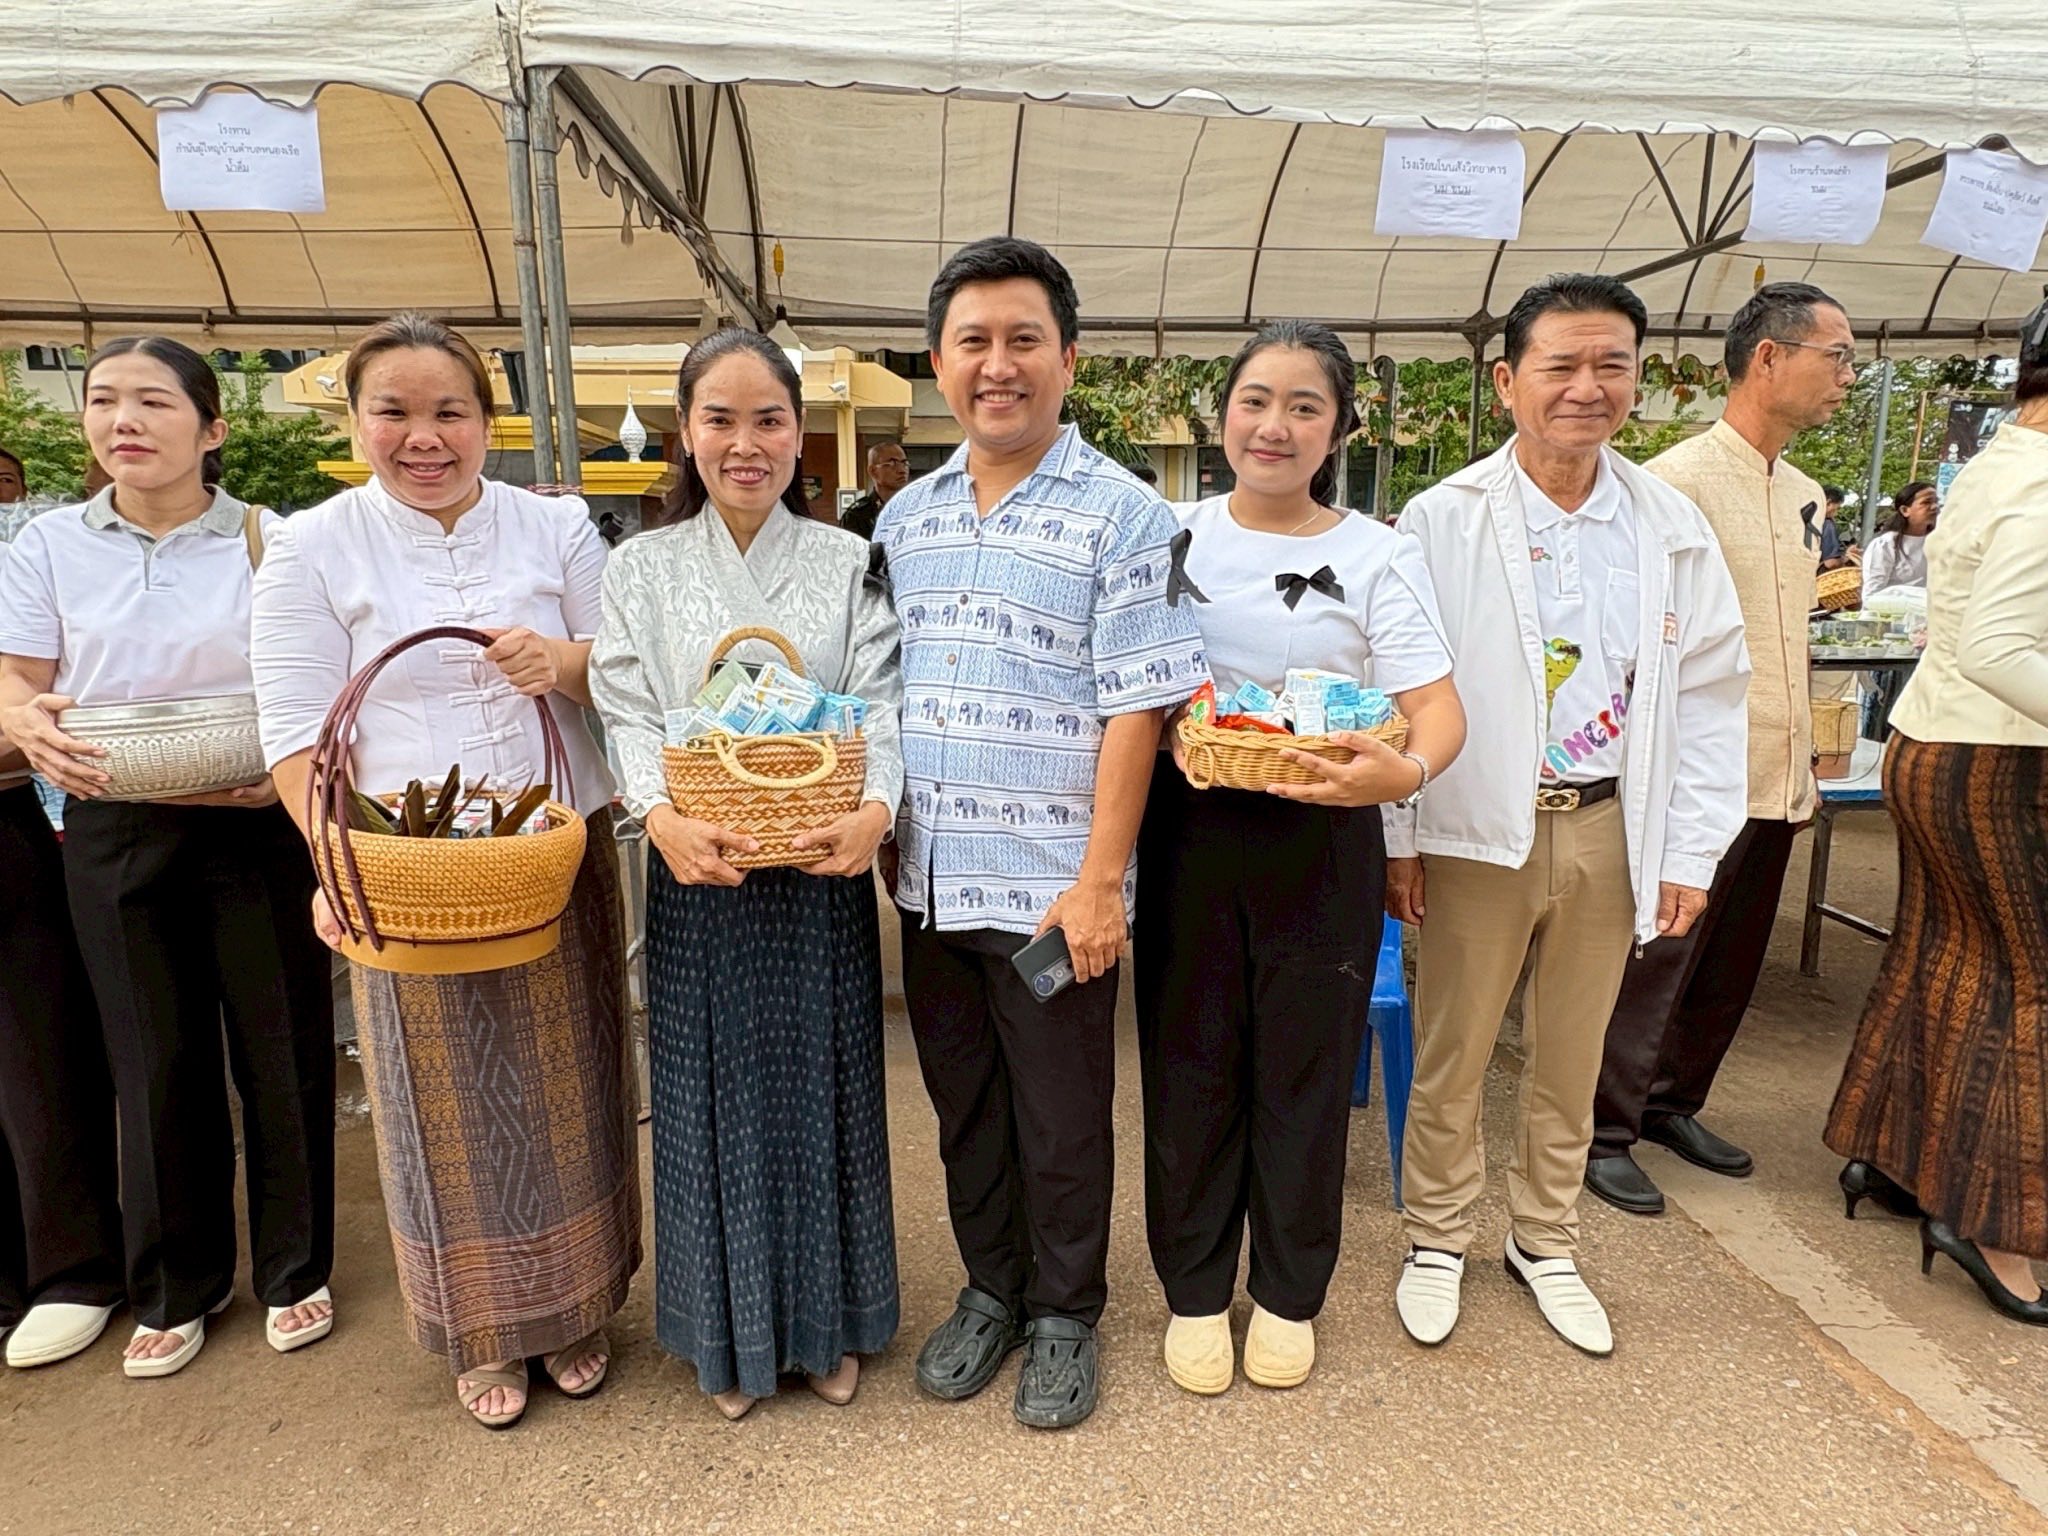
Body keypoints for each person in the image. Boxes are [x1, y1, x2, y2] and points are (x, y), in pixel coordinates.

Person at [251, 313, 640, 1429]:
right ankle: (480, 1334)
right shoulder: (313, 545)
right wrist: (337, 868)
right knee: (443, 1110)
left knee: (571, 1085)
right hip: (403, 871)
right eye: (395, 413)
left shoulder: (554, 525)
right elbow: (294, 732)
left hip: (547, 853)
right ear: (358, 421)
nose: (424, 437)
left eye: (449, 413)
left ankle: (576, 1310)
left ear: (486, 419)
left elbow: (618, 671)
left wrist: (558, 661)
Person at [1383, 275, 1750, 1357]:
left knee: (1571, 1046)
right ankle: (1436, 1235)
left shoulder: (1668, 524)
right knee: (1451, 1043)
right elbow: (1397, 685)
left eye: (1612, 367)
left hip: (1606, 826)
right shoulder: (1440, 520)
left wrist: (1687, 848)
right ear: (1506, 382)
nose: (1587, 390)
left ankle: (1542, 1236)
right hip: (1470, 823)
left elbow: (1711, 696)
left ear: (1636, 380)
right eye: (1561, 366)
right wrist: (1398, 838)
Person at [877, 236, 1207, 1429]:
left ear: (1068, 358)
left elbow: (1138, 703)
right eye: (973, 341)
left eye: (1023, 340)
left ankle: (1066, 1312)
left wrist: (1100, 883)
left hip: (1052, 890)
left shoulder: (1125, 515)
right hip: (929, 880)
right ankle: (990, 1291)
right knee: (963, 1108)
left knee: (1063, 1116)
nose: (997, 365)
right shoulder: (902, 519)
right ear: (937, 362)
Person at [1137, 321, 1466, 1395]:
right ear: (1219, 415)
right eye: (1254, 401)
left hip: (1324, 832)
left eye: (1303, 407)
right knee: (1189, 1067)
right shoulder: (1165, 533)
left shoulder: (1378, 552)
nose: (1273, 426)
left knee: (1305, 1074)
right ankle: (1192, 1293)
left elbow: (1435, 709)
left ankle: (1285, 1294)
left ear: (1337, 428)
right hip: (1187, 827)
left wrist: (1400, 781)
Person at [0, 337, 334, 1380]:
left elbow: (310, 675)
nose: (123, 421)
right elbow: (17, 679)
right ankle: (174, 1282)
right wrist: (29, 724)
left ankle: (296, 1267)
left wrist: (283, 769)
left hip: (252, 813)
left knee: (278, 1047)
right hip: (113, 817)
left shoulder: (271, 540)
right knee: (150, 1055)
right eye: (103, 401)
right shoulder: (48, 545)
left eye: (152, 401)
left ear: (212, 428)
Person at [589, 328, 904, 1419]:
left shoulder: (845, 559)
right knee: (704, 1094)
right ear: (686, 432)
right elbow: (624, 709)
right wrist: (660, 815)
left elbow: (882, 703)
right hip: (697, 867)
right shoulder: (639, 567)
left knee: (825, 1091)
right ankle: (727, 1339)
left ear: (797, 429)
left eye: (767, 418)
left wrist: (874, 810)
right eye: (718, 419)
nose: (744, 443)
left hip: (819, 872)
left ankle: (827, 1325)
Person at [1585, 284, 1849, 1216]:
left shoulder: (1808, 495)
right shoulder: (1673, 483)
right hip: (1695, 766)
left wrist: (1813, 744)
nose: (1847, 379)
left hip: (1777, 765)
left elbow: (1794, 631)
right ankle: (1602, 1125)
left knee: (1735, 956)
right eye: (1837, 356)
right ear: (1768, 357)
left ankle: (1672, 1102)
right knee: (1661, 948)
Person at [1825, 295, 2048, 1325]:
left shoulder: (2003, 459)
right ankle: (2000, 1225)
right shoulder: (2041, 484)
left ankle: (1897, 1162)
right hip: (1995, 757)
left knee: (1941, 955)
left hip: (1937, 740)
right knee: (2025, 986)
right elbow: (2002, 650)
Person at [0, 476, 124, 1374]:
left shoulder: (31, 553)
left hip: (23, 815)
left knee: (35, 1055)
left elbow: (35, 700)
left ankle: (70, 1268)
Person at [1861, 480, 1937, 597]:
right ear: (1905, 510)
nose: (1934, 507)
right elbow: (1872, 593)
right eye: (1926, 502)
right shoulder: (1885, 544)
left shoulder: (1940, 542)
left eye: (1936, 501)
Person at [839, 440, 910, 540]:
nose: (902, 470)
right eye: (892, 463)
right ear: (873, 471)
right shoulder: (857, 516)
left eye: (904, 463)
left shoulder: (918, 508)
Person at [1818, 485, 1857, 570]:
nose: (1836, 513)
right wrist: (1847, 557)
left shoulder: (1807, 520)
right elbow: (1830, 563)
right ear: (1828, 503)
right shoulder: (1827, 524)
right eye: (1837, 508)